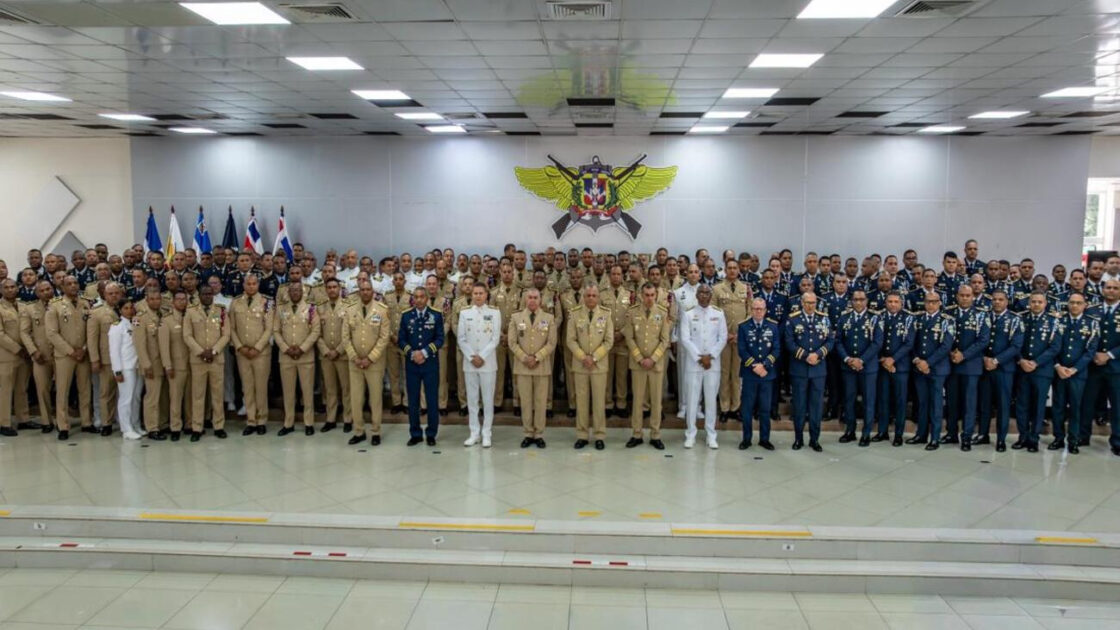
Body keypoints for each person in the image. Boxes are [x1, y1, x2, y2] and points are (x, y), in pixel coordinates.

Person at [623, 282, 671, 450]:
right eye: (646, 295)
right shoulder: (632, 312)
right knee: (638, 400)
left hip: (655, 365)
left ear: (656, 295)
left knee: (656, 401)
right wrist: (639, 358)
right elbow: (629, 338)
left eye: (652, 295)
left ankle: (655, 435)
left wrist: (653, 358)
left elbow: (665, 340)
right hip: (638, 364)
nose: (649, 298)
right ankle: (636, 434)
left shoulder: (662, 312)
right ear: (641, 295)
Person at [508, 287, 557, 448]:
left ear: (540, 300)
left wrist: (537, 357)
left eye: (535, 297)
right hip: (523, 367)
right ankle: (528, 433)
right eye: (529, 297)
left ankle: (539, 434)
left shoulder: (549, 318)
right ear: (525, 299)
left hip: (541, 366)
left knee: (540, 402)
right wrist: (524, 358)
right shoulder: (516, 317)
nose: (532, 300)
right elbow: (512, 342)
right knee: (526, 402)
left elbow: (551, 343)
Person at [344, 280, 391, 446]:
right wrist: (355, 357)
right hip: (355, 363)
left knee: (375, 399)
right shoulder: (350, 310)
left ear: (373, 291)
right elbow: (345, 337)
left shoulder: (382, 310)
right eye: (362, 289)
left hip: (374, 363)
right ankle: (359, 431)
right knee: (356, 399)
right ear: (358, 292)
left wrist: (370, 358)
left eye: (368, 289)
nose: (365, 292)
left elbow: (384, 337)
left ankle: (376, 431)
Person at [45, 276, 92, 440]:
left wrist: (84, 349)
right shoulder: (55, 305)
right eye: (69, 284)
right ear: (62, 287)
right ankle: (63, 425)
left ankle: (86, 422)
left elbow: (90, 330)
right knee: (62, 390)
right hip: (65, 355)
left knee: (85, 389)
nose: (73, 286)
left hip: (83, 354)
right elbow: (51, 333)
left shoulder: (85, 303)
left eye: (75, 283)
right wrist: (71, 351)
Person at [680, 284, 727, 449]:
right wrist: (699, 358)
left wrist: (711, 356)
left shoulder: (718, 313)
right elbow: (685, 338)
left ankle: (711, 435)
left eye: (707, 293)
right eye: (701, 293)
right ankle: (690, 434)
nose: (704, 296)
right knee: (692, 400)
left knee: (711, 401)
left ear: (711, 295)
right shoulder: (688, 313)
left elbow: (723, 338)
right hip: (694, 364)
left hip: (712, 364)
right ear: (697, 295)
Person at [784, 291, 832, 452]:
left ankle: (814, 439)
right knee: (799, 405)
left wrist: (818, 354)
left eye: (813, 303)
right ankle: (798, 439)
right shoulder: (793, 319)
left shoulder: (824, 318)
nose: (810, 306)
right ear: (802, 303)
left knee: (816, 406)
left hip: (818, 369)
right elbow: (789, 342)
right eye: (808, 303)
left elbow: (830, 340)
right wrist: (806, 356)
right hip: (799, 369)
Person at [1050, 292, 1097, 454]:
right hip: (1059, 371)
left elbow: (1090, 351)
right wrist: (1058, 366)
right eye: (1072, 302)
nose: (1075, 306)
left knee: (1076, 407)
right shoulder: (1059, 321)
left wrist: (1074, 369)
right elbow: (1052, 347)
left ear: (1085, 305)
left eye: (1078, 303)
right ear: (1067, 304)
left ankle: (1073, 440)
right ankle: (1058, 438)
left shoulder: (1091, 323)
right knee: (1058, 407)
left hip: (1078, 373)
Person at [944, 285, 990, 451]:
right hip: (951, 364)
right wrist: (951, 352)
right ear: (957, 296)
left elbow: (983, 340)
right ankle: (951, 433)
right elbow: (942, 336)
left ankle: (966, 437)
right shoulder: (948, 313)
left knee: (969, 404)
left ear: (973, 297)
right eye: (962, 295)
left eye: (968, 295)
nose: (964, 298)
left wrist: (963, 355)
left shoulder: (981, 315)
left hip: (971, 366)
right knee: (952, 402)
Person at [567, 284, 612, 450]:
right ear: (583, 297)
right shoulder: (574, 314)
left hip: (598, 365)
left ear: (598, 297)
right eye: (588, 295)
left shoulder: (606, 314)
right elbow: (570, 340)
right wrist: (583, 357)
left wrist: (594, 358)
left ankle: (599, 435)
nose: (591, 298)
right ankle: (582, 435)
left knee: (599, 402)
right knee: (581, 401)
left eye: (594, 295)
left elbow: (609, 341)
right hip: (580, 365)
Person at [835, 289, 882, 446]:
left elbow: (877, 343)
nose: (859, 302)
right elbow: (838, 341)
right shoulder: (844, 317)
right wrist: (848, 359)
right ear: (851, 301)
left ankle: (866, 433)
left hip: (868, 367)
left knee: (869, 400)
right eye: (856, 299)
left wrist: (861, 360)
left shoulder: (875, 318)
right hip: (848, 367)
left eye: (862, 299)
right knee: (849, 400)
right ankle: (850, 430)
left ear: (866, 301)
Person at [1015, 292, 1061, 452]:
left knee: (1038, 406)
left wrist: (1036, 362)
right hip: (1022, 368)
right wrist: (1021, 360)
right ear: (1029, 302)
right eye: (1033, 301)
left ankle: (1034, 439)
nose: (1036, 304)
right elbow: (1014, 343)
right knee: (1021, 405)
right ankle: (1022, 437)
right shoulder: (1020, 319)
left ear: (1045, 303)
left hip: (1042, 370)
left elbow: (1055, 347)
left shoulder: (1054, 321)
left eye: (1039, 302)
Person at [183, 285, 230, 441]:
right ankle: (197, 427)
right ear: (199, 295)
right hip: (198, 360)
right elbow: (187, 335)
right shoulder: (190, 311)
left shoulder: (221, 311)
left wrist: (214, 351)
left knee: (217, 394)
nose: (207, 296)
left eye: (210, 293)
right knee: (198, 395)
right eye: (204, 294)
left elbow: (226, 335)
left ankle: (219, 426)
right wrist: (201, 352)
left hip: (216, 359)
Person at [908, 291, 954, 450]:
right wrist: (917, 360)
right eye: (928, 301)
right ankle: (921, 434)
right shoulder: (917, 319)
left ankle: (935, 437)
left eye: (934, 302)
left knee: (936, 404)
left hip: (937, 369)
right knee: (922, 403)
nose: (931, 304)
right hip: (919, 368)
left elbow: (946, 346)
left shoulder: (947, 321)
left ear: (939, 303)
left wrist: (928, 363)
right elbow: (911, 343)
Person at [978, 290, 1023, 452]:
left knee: (1003, 406)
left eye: (1000, 299)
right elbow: (977, 340)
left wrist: (996, 361)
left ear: (1007, 301)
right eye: (994, 299)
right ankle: (983, 434)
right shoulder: (983, 317)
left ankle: (1001, 439)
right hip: (985, 367)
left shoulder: (1015, 319)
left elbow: (1016, 346)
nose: (997, 302)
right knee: (984, 404)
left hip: (1004, 369)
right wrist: (984, 358)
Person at [274, 283, 321, 436]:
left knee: (307, 392)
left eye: (298, 290)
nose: (295, 293)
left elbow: (316, 330)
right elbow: (276, 330)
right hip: (286, 356)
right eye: (292, 290)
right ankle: (288, 423)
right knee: (288, 392)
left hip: (305, 356)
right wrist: (285, 348)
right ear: (288, 292)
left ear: (303, 292)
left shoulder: (311, 308)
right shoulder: (281, 308)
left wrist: (302, 348)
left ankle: (309, 423)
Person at [400, 286, 444, 446]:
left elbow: (440, 339)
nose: (418, 300)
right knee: (413, 401)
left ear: (426, 298)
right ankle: (415, 433)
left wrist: (424, 353)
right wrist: (412, 353)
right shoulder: (406, 315)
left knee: (432, 400)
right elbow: (401, 339)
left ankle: (431, 433)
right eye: (416, 297)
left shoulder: (436, 315)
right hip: (412, 364)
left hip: (430, 364)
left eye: (421, 297)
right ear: (413, 299)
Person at [230, 273, 273, 435]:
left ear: (258, 285)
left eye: (254, 283)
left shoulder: (267, 302)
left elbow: (269, 328)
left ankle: (261, 420)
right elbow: (231, 328)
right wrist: (240, 347)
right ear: (243, 285)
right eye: (248, 284)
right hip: (243, 353)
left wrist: (257, 348)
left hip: (261, 353)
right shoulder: (235, 302)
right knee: (247, 387)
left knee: (261, 387)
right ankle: (251, 420)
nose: (251, 286)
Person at [458, 284, 501, 447]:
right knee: (472, 399)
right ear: (471, 295)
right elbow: (461, 338)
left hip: (487, 363)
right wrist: (472, 357)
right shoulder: (464, 313)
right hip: (470, 363)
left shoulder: (495, 313)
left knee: (488, 400)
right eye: (475, 293)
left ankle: (487, 433)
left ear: (486, 295)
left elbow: (495, 338)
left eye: (481, 293)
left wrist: (481, 356)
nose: (477, 296)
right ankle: (474, 433)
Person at [738, 297, 778, 450]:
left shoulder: (773, 326)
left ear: (765, 310)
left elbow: (776, 349)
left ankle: (764, 439)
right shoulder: (743, 327)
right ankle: (746, 439)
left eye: (761, 309)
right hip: (750, 373)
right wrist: (754, 366)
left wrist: (765, 365)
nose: (758, 311)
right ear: (751, 310)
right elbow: (742, 350)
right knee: (747, 409)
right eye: (755, 308)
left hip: (767, 374)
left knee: (765, 408)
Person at [714, 260, 750, 422]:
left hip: (739, 338)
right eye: (730, 268)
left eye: (735, 268)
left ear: (739, 270)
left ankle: (736, 407)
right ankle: (724, 408)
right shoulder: (717, 289)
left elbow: (750, 312)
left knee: (737, 374)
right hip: (723, 339)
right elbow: (713, 313)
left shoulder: (746, 288)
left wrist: (740, 334)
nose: (733, 270)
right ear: (725, 270)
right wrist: (724, 333)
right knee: (724, 373)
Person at [19, 280, 56, 432]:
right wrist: (33, 351)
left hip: (61, 353)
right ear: (37, 293)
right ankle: (47, 421)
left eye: (48, 289)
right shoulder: (29, 309)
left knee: (62, 390)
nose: (46, 292)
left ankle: (62, 421)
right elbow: (24, 332)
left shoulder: (61, 305)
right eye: (42, 290)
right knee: (42, 389)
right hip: (41, 354)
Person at [134, 289, 171, 439]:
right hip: (151, 363)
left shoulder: (164, 314)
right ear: (147, 301)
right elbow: (139, 344)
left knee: (163, 396)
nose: (156, 301)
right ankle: (152, 427)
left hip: (165, 362)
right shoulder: (140, 318)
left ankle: (163, 423)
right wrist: (146, 364)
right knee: (152, 397)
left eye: (158, 299)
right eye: (152, 299)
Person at [87, 281, 123, 435]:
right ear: (104, 295)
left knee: (124, 393)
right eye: (110, 293)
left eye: (116, 293)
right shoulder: (96, 313)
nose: (114, 296)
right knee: (106, 393)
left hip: (126, 359)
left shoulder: (127, 309)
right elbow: (92, 339)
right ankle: (106, 423)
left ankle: (122, 421)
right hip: (107, 359)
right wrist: (94, 359)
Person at [316, 278, 350, 432]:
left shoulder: (348, 306)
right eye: (329, 287)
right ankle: (331, 419)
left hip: (342, 355)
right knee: (330, 388)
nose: (332, 290)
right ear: (325, 289)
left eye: (334, 287)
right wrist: (325, 351)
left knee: (346, 388)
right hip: (326, 356)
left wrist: (338, 350)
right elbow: (316, 332)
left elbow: (350, 332)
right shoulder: (319, 307)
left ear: (339, 288)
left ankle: (348, 418)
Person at [108, 300, 142, 440]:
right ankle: (126, 429)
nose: (129, 310)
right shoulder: (117, 326)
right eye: (125, 308)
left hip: (138, 365)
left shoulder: (135, 323)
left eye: (131, 307)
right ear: (120, 310)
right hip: (125, 367)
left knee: (136, 397)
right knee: (126, 399)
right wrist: (117, 371)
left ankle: (135, 424)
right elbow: (114, 351)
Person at [0, 279, 28, 436]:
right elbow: (0, 335)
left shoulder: (23, 306)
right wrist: (17, 349)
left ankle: (23, 419)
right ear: (1, 290)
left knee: (21, 388)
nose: (10, 290)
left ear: (17, 288)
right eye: (6, 287)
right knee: (6, 390)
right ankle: (4, 423)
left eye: (12, 287)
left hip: (24, 355)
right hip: (7, 355)